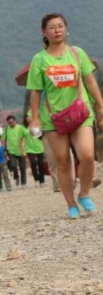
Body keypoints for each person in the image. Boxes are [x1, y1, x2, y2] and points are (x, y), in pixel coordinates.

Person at [27, 13, 103, 218]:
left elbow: (90, 81)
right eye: (52, 27)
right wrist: (34, 118)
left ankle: (84, 193)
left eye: (60, 26)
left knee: (87, 155)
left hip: (80, 113)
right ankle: (70, 204)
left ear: (66, 29)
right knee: (62, 161)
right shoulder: (39, 59)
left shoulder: (77, 54)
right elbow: (34, 91)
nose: (57, 30)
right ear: (44, 32)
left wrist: (100, 105)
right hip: (53, 118)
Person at [22, 110, 46, 187]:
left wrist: (36, 131)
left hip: (39, 147)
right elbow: (20, 138)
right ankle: (36, 179)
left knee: (40, 164)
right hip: (29, 148)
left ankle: (42, 180)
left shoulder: (37, 125)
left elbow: (40, 137)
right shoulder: (23, 127)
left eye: (30, 116)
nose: (29, 118)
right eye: (27, 117)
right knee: (33, 163)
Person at [2, 115, 27, 186]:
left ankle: (23, 182)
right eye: (9, 123)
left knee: (22, 167)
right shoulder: (6, 129)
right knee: (13, 166)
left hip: (21, 150)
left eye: (12, 122)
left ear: (15, 121)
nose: (11, 124)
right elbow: (4, 139)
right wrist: (4, 150)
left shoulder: (20, 127)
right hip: (11, 151)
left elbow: (26, 135)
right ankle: (16, 177)